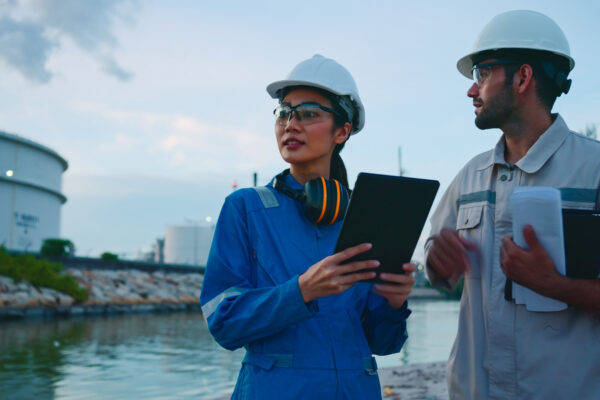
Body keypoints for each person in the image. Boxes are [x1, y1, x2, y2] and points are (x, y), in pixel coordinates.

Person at [200, 54, 415, 399]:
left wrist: (393, 304)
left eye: (309, 113)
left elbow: (384, 344)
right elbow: (224, 324)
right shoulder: (245, 208)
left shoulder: (368, 217)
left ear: (342, 131)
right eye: (284, 112)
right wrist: (300, 291)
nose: (291, 124)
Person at [425, 10, 600, 400]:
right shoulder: (469, 177)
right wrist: (438, 262)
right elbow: (436, 272)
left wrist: (555, 286)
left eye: (482, 75)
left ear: (522, 78)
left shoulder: (594, 172)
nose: (473, 91)